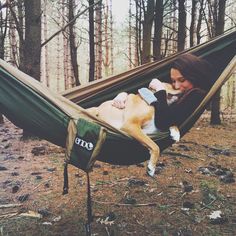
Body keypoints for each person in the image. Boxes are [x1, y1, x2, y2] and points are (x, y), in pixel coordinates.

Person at [112, 53, 213, 131]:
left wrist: (160, 91)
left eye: (182, 80)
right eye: (173, 81)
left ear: (193, 76)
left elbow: (163, 123)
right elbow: (141, 90)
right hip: (129, 120)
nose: (176, 86)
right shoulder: (182, 90)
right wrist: (124, 95)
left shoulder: (196, 94)